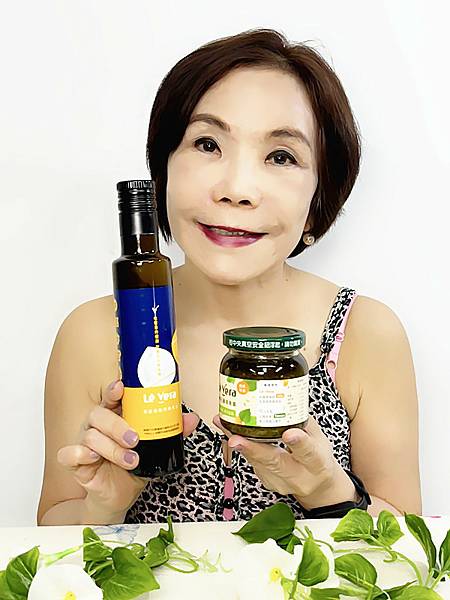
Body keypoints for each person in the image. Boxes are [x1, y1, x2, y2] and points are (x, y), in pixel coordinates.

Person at [37, 28, 421, 525]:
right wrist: (103, 504)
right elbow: (51, 527)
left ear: (316, 203)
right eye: (207, 143)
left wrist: (329, 491)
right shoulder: (93, 332)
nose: (237, 189)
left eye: (281, 156)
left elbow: (410, 545)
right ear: (163, 173)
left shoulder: (365, 332)